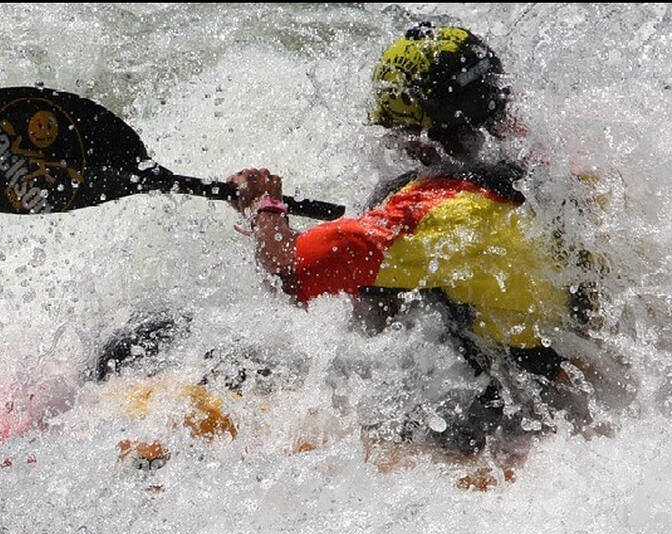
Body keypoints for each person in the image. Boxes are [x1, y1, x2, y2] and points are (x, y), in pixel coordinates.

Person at [228, 23, 600, 466]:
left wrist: (264, 206)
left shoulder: (440, 213)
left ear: (421, 136)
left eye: (393, 130)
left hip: (509, 420)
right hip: (563, 386)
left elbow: (290, 272)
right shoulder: (554, 168)